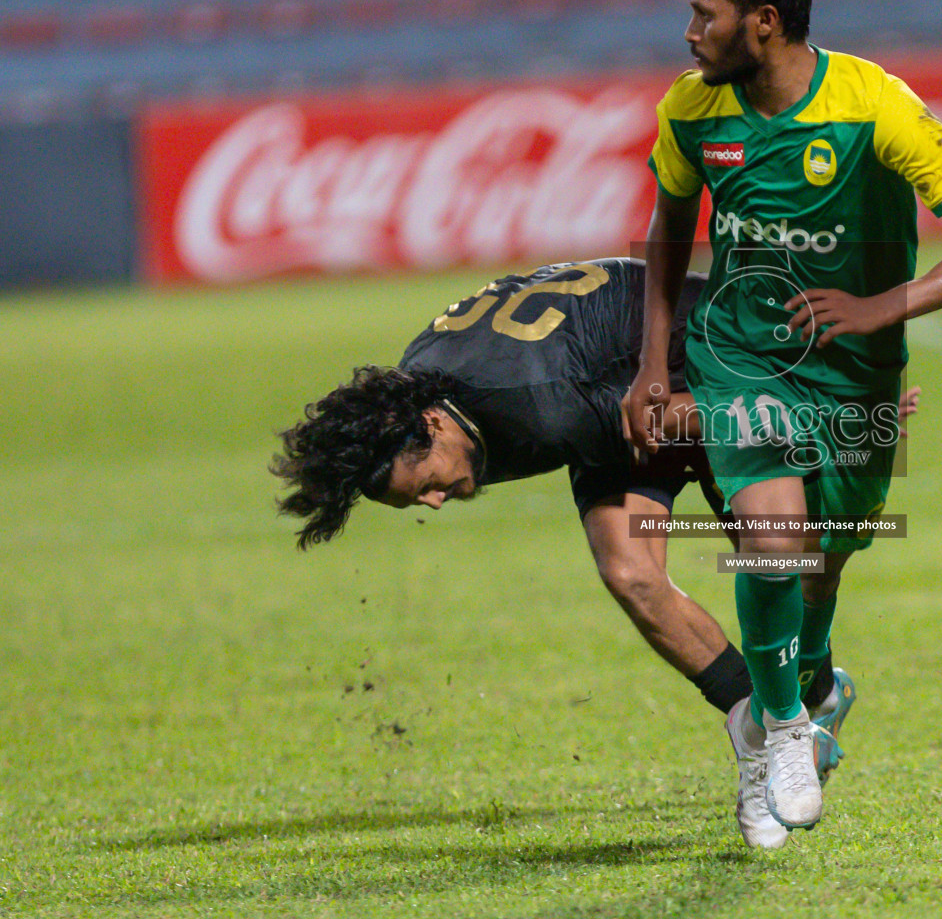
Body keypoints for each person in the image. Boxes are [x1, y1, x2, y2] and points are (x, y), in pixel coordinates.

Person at [623, 0, 942, 849]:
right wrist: (656, 364)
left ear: (762, 24)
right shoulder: (690, 111)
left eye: (705, 13)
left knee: (818, 570)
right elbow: (666, 235)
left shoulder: (874, 103)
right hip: (740, 354)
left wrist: (884, 305)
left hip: (852, 374)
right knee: (770, 543)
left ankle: (811, 693)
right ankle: (784, 737)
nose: (689, 32)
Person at [270, 259, 878, 802]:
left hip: (712, 360)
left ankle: (812, 695)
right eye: (416, 502)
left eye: (427, 483)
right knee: (630, 572)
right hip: (608, 385)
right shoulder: (414, 401)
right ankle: (771, 733)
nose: (434, 501)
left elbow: (662, 421)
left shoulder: (539, 408)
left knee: (781, 562)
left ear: (432, 425)